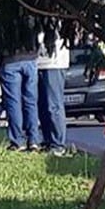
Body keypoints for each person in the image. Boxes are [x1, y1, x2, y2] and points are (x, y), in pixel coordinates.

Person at [0, 14, 42, 152]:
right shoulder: (31, 10)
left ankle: (18, 140)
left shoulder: (4, 16)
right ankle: (34, 140)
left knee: (13, 102)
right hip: (30, 59)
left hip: (11, 60)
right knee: (31, 101)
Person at [36, 22, 69, 156]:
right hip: (38, 63)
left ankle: (58, 144)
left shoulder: (57, 19)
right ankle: (48, 140)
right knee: (42, 106)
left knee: (53, 105)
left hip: (54, 64)